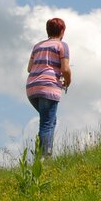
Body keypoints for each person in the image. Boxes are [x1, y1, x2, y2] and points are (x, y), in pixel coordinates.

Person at [26, 18, 72, 156]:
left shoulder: (37, 46)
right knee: (46, 123)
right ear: (62, 31)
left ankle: (44, 153)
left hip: (32, 88)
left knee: (49, 120)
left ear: (47, 30)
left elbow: (29, 68)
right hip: (48, 86)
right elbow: (65, 69)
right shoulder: (62, 46)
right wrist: (68, 81)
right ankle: (44, 157)